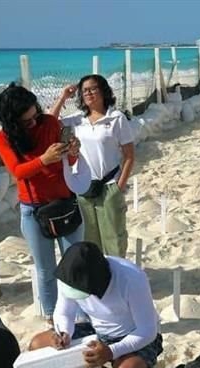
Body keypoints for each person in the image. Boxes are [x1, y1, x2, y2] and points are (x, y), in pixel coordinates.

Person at [0, 83, 87, 323]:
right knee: (45, 270)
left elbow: (69, 160)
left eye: (35, 115)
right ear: (13, 123)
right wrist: (44, 159)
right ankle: (51, 318)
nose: (34, 123)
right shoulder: (2, 139)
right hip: (34, 210)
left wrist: (73, 150)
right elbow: (17, 171)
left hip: (64, 202)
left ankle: (83, 316)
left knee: (75, 264)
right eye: (27, 122)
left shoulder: (50, 123)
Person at [28, 242, 161, 368]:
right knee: (37, 345)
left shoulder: (132, 278)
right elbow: (64, 311)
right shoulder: (68, 274)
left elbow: (148, 330)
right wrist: (64, 332)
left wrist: (111, 351)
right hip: (97, 329)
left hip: (133, 334)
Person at [50, 74, 136, 257]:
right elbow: (49, 122)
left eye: (92, 89)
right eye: (84, 91)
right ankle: (98, 279)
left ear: (103, 90)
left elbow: (129, 155)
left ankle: (117, 279)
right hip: (84, 186)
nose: (88, 93)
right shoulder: (78, 119)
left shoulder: (116, 118)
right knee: (90, 239)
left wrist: (119, 187)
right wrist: (63, 97)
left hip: (109, 185)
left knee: (114, 238)